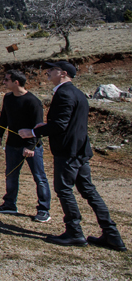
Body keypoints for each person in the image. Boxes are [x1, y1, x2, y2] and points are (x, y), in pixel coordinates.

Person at [19, 61, 127, 251]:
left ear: (62, 73)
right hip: (79, 150)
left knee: (64, 190)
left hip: (68, 152)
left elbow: (61, 125)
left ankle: (75, 233)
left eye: (51, 70)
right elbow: (68, 123)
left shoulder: (64, 93)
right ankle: (111, 234)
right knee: (88, 190)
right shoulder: (77, 93)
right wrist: (44, 127)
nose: (48, 73)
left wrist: (33, 133)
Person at [0, 70, 51, 223]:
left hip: (32, 147)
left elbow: (38, 127)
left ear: (16, 82)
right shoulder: (8, 98)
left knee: (39, 178)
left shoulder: (33, 101)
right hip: (12, 145)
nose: (4, 82)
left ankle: (44, 210)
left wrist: (30, 147)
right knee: (11, 175)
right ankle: (9, 204)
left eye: (6, 80)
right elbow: (4, 117)